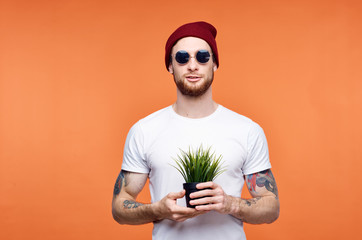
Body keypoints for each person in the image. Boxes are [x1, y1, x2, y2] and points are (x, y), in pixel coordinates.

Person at [112, 21, 279, 240]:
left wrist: (230, 204)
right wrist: (157, 210)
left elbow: (271, 206)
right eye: (182, 58)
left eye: (202, 57)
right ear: (170, 66)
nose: (193, 65)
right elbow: (119, 207)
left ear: (214, 64)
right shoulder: (144, 130)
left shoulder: (247, 130)